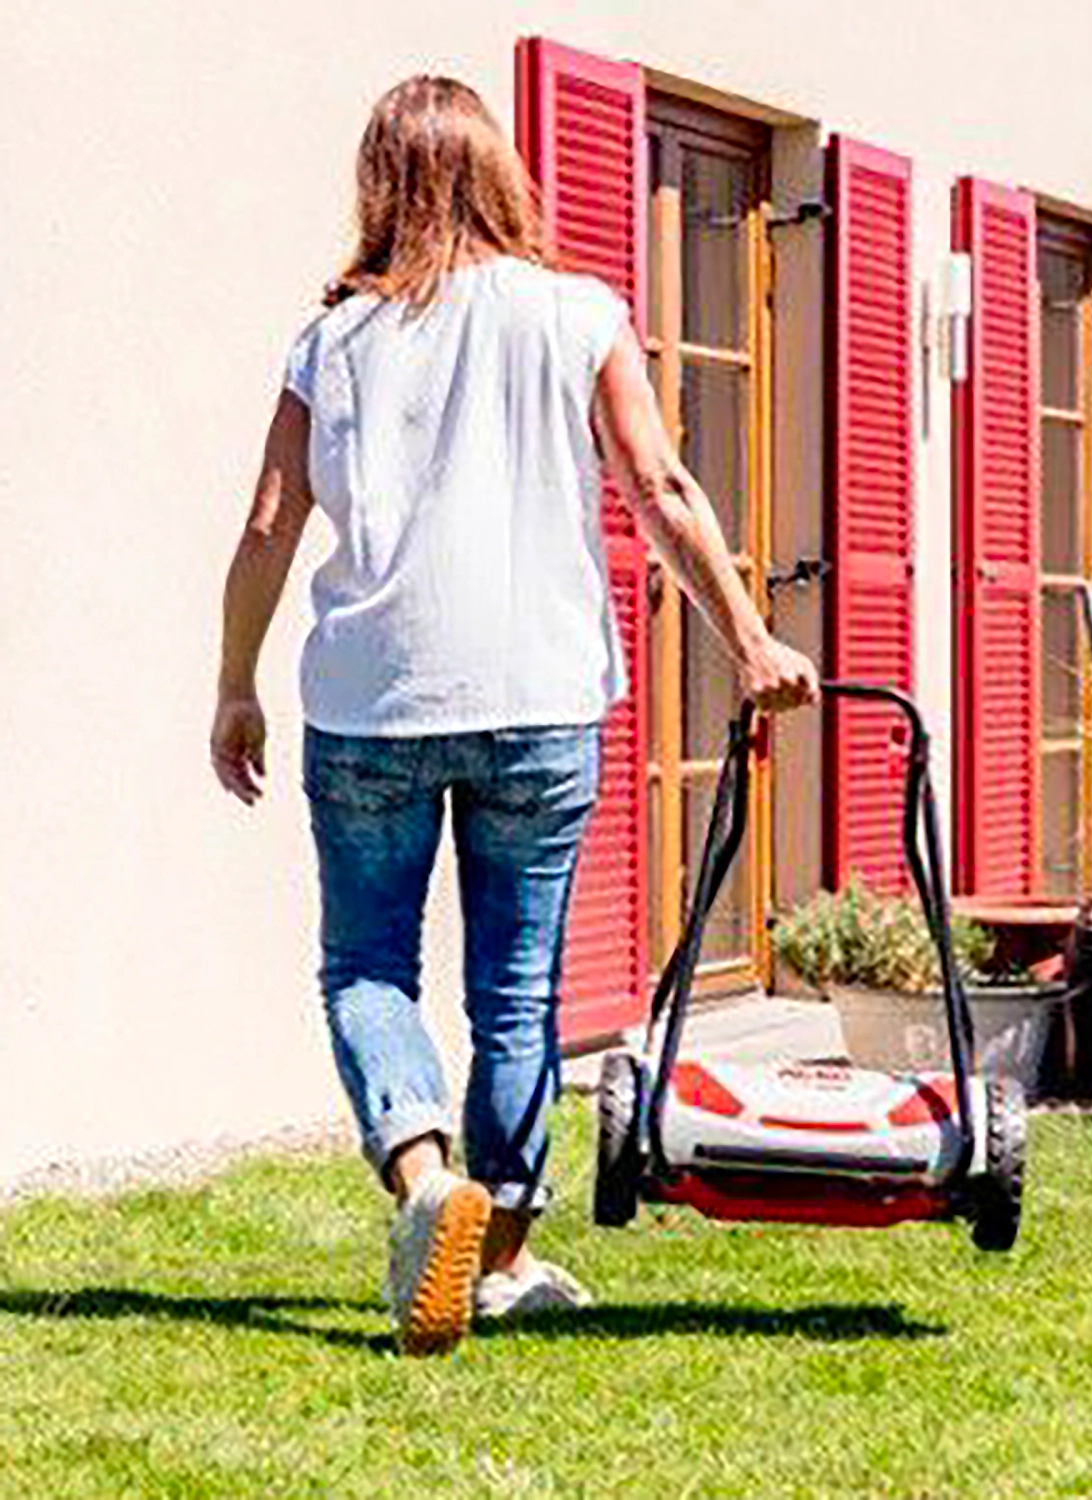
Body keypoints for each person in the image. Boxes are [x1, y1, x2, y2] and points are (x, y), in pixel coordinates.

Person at [210, 76, 819, 1356]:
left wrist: (234, 684)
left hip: (371, 700)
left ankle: (425, 1180)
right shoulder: (577, 313)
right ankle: (501, 1259)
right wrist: (751, 641)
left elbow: (270, 525)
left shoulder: (332, 342)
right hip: (539, 698)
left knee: (367, 968)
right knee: (517, 987)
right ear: (501, 176)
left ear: (379, 186)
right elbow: (659, 486)